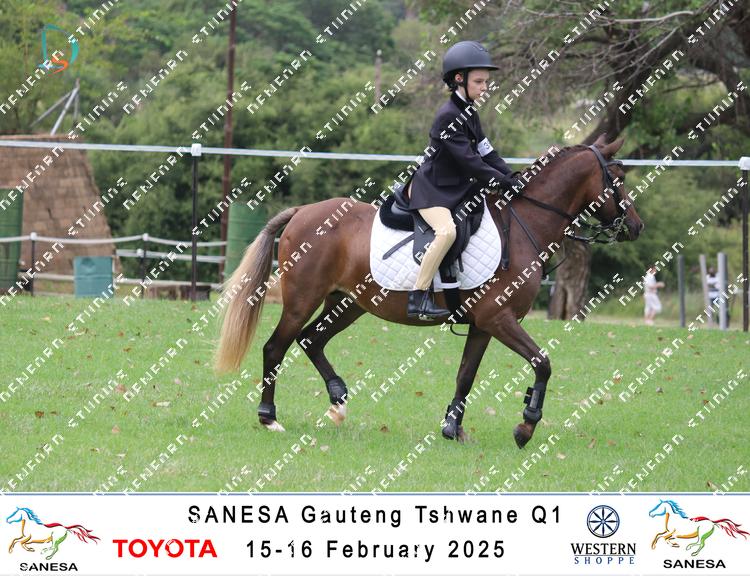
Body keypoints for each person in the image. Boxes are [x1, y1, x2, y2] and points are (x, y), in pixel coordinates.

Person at [403, 40, 523, 320]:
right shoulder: (448, 116)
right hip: (432, 191)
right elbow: (471, 162)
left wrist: (512, 176)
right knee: (447, 232)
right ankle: (418, 297)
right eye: (479, 82)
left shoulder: (470, 113)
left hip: (456, 190)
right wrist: (502, 182)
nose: (485, 87)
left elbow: (487, 152)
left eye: (486, 82)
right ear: (459, 78)